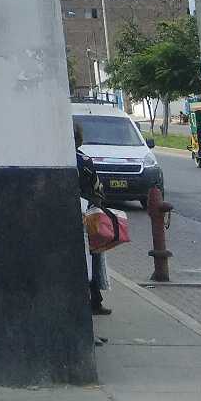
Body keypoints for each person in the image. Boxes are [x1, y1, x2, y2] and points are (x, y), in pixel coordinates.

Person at [75, 123, 110, 316]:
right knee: (93, 256)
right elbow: (98, 189)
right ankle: (95, 301)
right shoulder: (85, 161)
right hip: (86, 213)